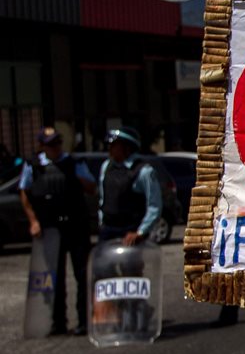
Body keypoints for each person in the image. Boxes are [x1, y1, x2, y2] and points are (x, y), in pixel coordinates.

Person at [18, 126, 96, 336]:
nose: (56, 148)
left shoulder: (74, 163)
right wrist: (33, 221)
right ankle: (58, 322)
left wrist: (75, 177)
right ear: (42, 146)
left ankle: (84, 321)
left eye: (58, 143)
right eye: (51, 144)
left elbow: (91, 188)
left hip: (76, 226)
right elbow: (24, 194)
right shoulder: (33, 166)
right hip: (50, 229)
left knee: (82, 274)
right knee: (53, 276)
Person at [98, 126, 162, 245]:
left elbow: (154, 205)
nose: (109, 148)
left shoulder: (144, 171)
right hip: (108, 230)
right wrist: (102, 222)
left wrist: (140, 232)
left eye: (114, 145)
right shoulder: (106, 166)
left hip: (131, 232)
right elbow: (103, 198)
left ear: (127, 147)